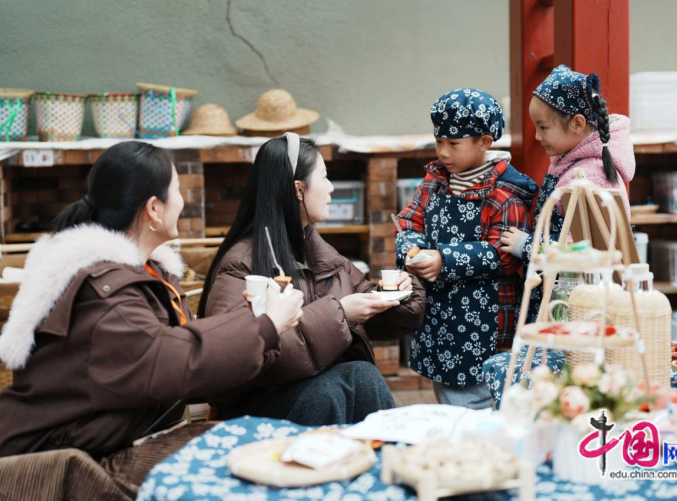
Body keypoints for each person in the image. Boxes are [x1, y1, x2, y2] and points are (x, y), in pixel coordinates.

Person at [0, 141, 303, 499]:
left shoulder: (148, 273)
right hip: (66, 466)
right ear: (154, 209)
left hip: (110, 442)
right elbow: (170, 358)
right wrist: (265, 324)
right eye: (178, 190)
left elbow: (177, 349)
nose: (183, 202)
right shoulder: (105, 292)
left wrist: (253, 320)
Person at [201, 133, 425, 425]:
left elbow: (374, 304)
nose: (331, 187)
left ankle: (378, 450)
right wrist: (341, 313)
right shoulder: (241, 263)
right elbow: (235, 355)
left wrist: (399, 292)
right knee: (335, 387)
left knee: (360, 376)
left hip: (319, 393)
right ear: (299, 189)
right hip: (258, 408)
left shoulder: (318, 252)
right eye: (324, 176)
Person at [486, 65, 636, 406]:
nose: (537, 136)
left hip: (578, 303)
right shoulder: (572, 159)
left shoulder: (590, 176)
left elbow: (585, 252)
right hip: (560, 293)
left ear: (578, 124)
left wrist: (527, 246)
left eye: (543, 127)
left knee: (565, 383)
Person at [395, 88, 537, 409]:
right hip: (440, 313)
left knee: (475, 396)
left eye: (453, 143)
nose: (443, 152)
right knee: (446, 388)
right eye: (438, 141)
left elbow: (504, 253)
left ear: (484, 142)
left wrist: (444, 260)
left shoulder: (505, 193)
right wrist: (413, 252)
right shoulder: (434, 182)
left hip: (483, 319)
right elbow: (408, 221)